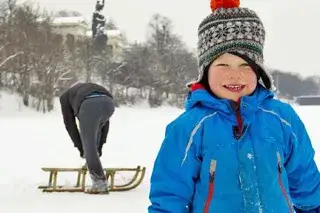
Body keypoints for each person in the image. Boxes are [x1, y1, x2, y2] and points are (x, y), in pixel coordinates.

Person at [148, 0, 320, 212]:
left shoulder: (282, 117)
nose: (235, 74)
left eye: (245, 65)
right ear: (205, 71)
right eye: (223, 64)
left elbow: (304, 176)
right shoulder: (190, 127)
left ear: (259, 72)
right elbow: (170, 193)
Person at [59, 82, 115, 194]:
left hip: (89, 104)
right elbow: (104, 126)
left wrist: (82, 148)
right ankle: (92, 161)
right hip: (109, 103)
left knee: (88, 144)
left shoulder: (64, 97)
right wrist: (99, 147)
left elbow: (70, 125)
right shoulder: (86, 89)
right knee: (94, 135)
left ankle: (99, 183)